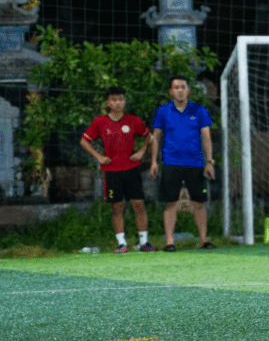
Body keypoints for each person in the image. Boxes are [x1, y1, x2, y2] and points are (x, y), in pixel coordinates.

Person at [80, 86, 155, 253]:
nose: (117, 103)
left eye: (120, 99)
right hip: (112, 172)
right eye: (114, 100)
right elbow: (84, 141)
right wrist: (99, 157)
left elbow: (149, 136)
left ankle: (144, 242)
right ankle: (122, 243)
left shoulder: (132, 120)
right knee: (116, 207)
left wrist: (141, 152)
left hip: (131, 169)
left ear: (124, 101)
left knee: (138, 204)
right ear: (107, 102)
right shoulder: (100, 122)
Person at [149, 75, 216, 251]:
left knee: (198, 202)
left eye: (183, 87)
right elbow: (155, 138)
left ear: (188, 90)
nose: (180, 90)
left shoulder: (199, 110)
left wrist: (209, 162)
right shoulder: (163, 111)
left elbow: (206, 137)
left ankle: (203, 240)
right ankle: (170, 241)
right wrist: (153, 161)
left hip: (195, 163)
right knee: (171, 202)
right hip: (171, 162)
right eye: (176, 87)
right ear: (171, 91)